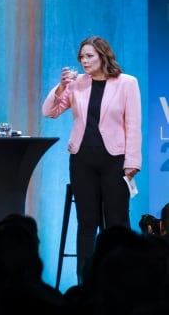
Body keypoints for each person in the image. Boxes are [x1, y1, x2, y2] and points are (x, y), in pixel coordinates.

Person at [42, 35, 142, 281]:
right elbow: (49, 112)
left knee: (116, 223)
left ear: (102, 56)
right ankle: (85, 281)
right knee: (87, 223)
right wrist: (62, 87)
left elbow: (133, 125)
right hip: (82, 160)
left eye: (89, 56)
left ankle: (121, 279)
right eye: (81, 57)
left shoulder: (127, 83)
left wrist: (132, 162)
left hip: (115, 160)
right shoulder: (76, 84)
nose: (84, 61)